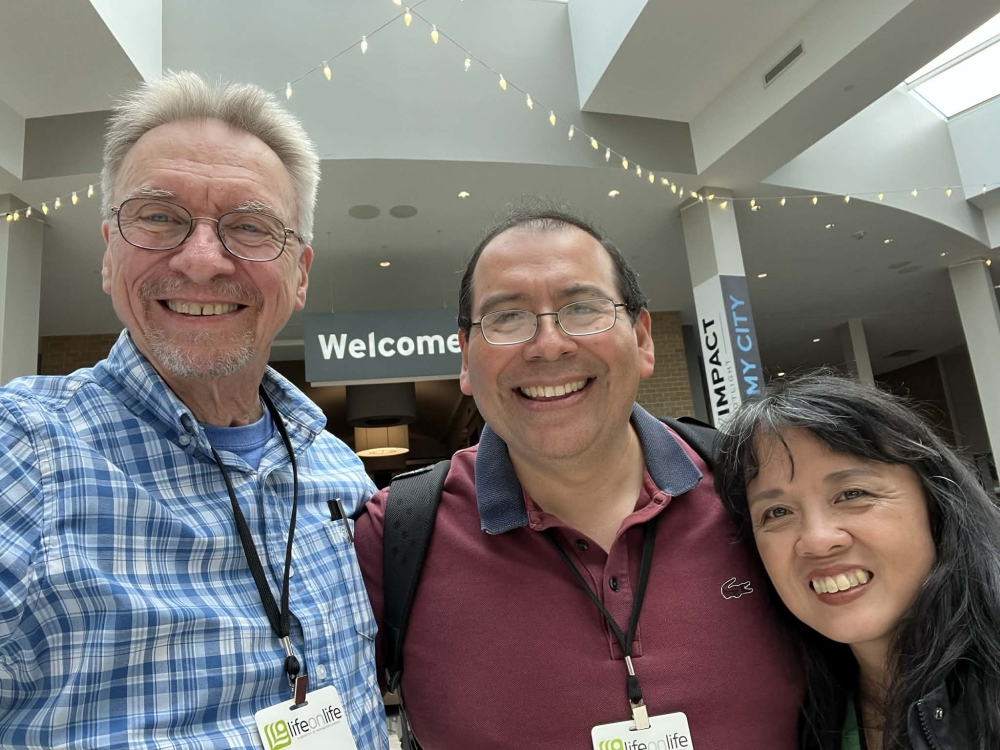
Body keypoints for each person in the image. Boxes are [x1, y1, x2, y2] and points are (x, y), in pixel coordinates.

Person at [0, 72, 388, 749]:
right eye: (158, 217)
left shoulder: (339, 472)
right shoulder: (21, 455)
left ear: (300, 274)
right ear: (109, 252)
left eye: (250, 226)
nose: (204, 260)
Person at [354, 202, 803, 750]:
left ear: (642, 339)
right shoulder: (392, 537)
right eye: (507, 317)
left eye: (583, 308)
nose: (548, 345)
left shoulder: (753, 491)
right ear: (466, 358)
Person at [714, 373, 1000, 750]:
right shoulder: (806, 716)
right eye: (778, 512)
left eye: (852, 494)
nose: (817, 541)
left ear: (936, 504)